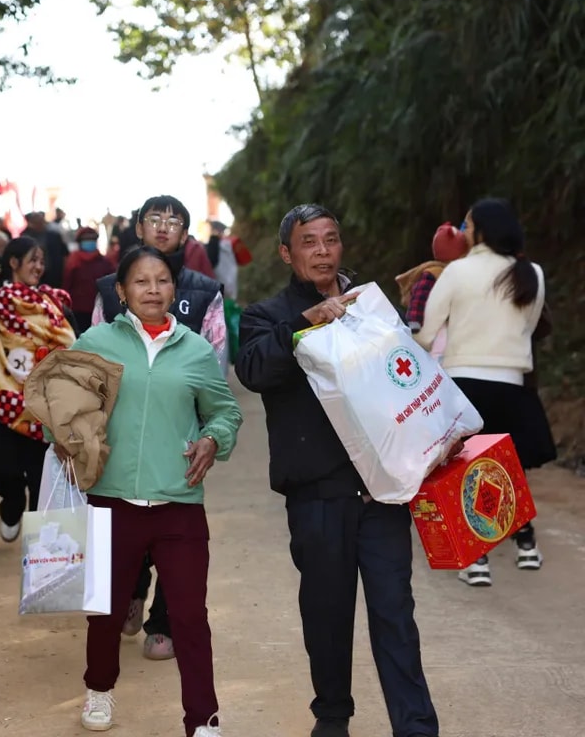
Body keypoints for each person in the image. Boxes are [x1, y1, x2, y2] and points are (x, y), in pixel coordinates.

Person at [235, 204, 440, 737]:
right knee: (326, 614)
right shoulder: (268, 315)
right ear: (287, 253)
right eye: (309, 242)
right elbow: (254, 369)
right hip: (318, 494)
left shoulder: (370, 306)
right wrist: (303, 326)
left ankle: (415, 725)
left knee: (395, 610)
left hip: (382, 491)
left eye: (331, 239)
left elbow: (408, 377)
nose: (323, 251)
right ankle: (332, 717)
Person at [68, 245, 241, 737]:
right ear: (121, 292)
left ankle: (203, 719)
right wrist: (66, 436)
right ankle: (99, 692)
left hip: (178, 504)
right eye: (140, 282)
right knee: (105, 610)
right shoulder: (96, 341)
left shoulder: (195, 350)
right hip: (112, 498)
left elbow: (225, 411)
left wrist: (213, 439)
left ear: (174, 288)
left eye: (162, 280)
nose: (152, 289)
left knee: (189, 616)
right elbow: (61, 406)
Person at [92, 195, 226, 661]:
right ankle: (131, 593)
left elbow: (217, 360)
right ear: (138, 227)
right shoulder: (109, 288)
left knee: (175, 528)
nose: (165, 226)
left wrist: (209, 427)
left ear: (187, 234)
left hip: (179, 428)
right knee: (129, 522)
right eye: (156, 218)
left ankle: (163, 622)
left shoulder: (206, 290)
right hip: (123, 431)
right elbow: (90, 362)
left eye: (176, 221)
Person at [414, 198, 556, 587]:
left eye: (468, 224)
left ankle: (476, 562)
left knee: (467, 469)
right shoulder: (533, 274)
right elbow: (526, 330)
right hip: (512, 385)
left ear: (478, 232)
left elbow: (426, 335)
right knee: (509, 466)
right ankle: (526, 546)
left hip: (465, 383)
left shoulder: (456, 273)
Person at [0, 236, 76, 541]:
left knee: (41, 477)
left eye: (42, 261)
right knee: (2, 467)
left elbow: (72, 343)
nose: (39, 267)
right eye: (33, 260)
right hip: (4, 403)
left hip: (43, 408)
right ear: (14, 263)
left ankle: (40, 543)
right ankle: (12, 502)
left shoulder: (52, 304)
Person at [395, 223, 468, 334]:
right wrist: (414, 322)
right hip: (430, 330)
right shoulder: (434, 273)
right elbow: (419, 298)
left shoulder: (455, 274)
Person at [63, 227, 115, 335]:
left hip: (96, 308)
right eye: (87, 240)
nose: (89, 242)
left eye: (92, 240)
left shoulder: (104, 261)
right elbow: (67, 284)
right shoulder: (73, 261)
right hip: (81, 309)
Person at [21, 211, 70, 288]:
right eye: (36, 222)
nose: (40, 224)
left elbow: (64, 254)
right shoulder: (25, 237)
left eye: (41, 221)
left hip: (54, 273)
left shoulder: (54, 236)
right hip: (33, 274)